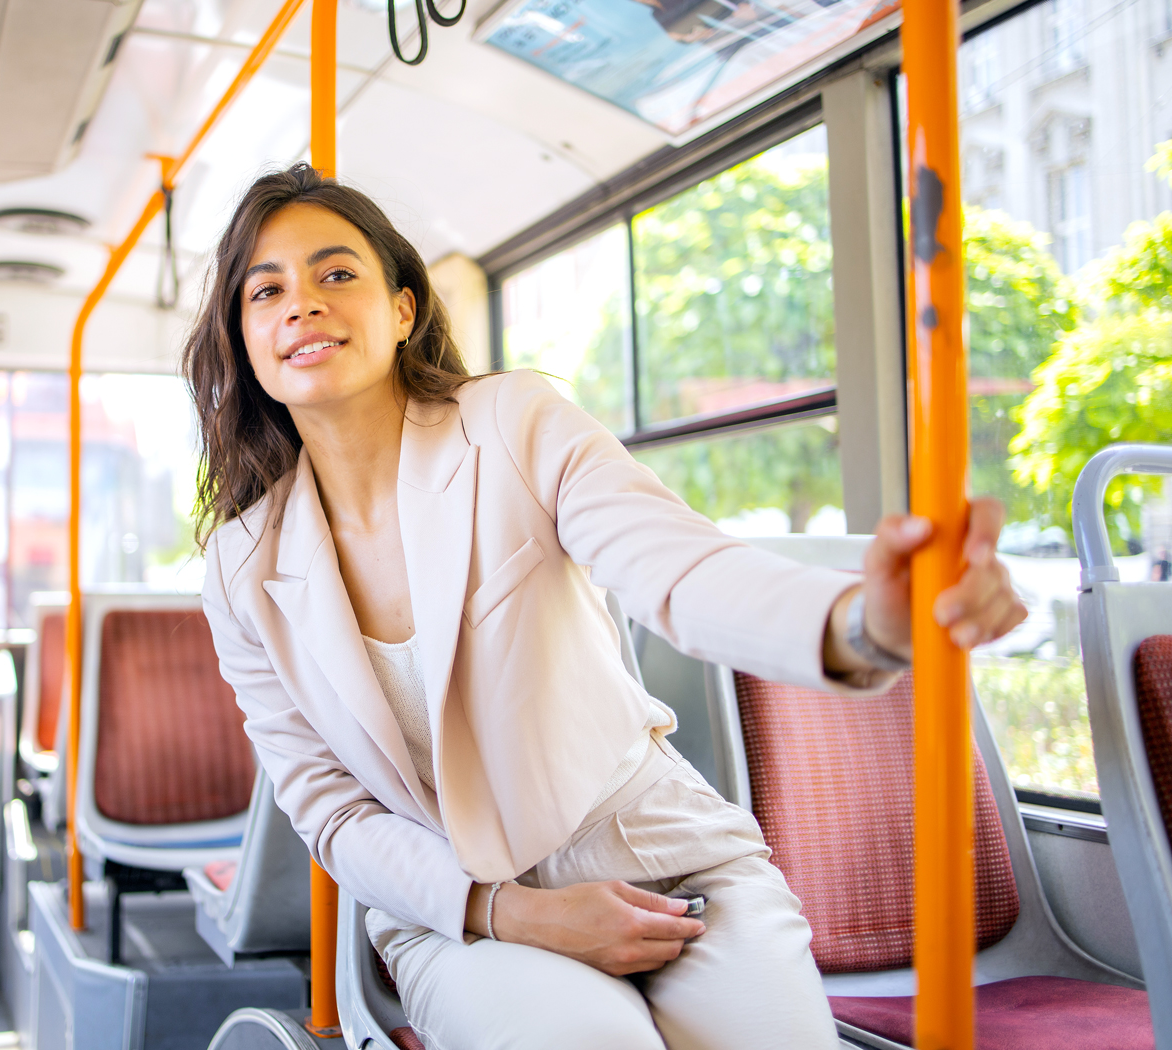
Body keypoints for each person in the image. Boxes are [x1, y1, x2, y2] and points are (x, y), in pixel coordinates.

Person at [184, 164, 1027, 1050]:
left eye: (337, 273)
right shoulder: (242, 569)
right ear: (244, 340)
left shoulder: (513, 424)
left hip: (656, 849)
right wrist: (512, 914)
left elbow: (679, 567)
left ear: (401, 309)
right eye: (266, 289)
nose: (303, 304)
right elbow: (332, 811)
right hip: (459, 912)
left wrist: (861, 625)